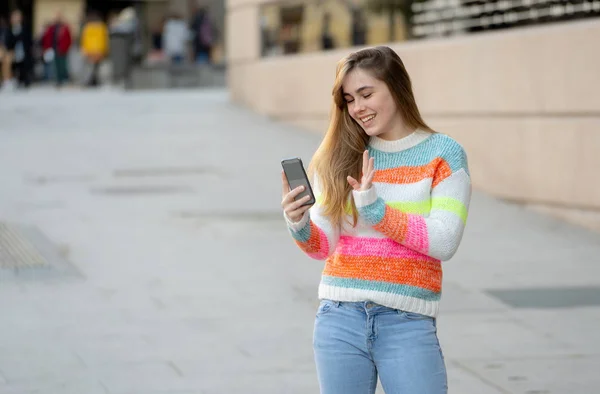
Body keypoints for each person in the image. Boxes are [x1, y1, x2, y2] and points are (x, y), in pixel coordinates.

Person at [280, 46, 472, 394]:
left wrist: (375, 211)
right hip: (339, 317)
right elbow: (322, 247)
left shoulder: (444, 155)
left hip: (408, 321)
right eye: (350, 99)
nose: (358, 108)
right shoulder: (341, 155)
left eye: (367, 94)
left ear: (396, 88)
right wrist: (299, 223)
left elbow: (445, 241)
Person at [4, 10, 33, 89]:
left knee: (24, 66)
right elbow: (7, 42)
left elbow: (29, 41)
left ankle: (24, 80)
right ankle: (10, 80)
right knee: (10, 63)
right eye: (14, 17)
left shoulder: (25, 27)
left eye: (18, 17)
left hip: (24, 51)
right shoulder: (9, 29)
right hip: (13, 52)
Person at [41, 11, 72, 87]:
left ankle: (63, 78)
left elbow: (69, 39)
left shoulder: (65, 27)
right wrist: (46, 48)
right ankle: (58, 80)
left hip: (63, 50)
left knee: (63, 65)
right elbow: (47, 38)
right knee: (56, 66)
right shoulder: (52, 28)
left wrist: (66, 48)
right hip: (54, 48)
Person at [79, 11, 108, 87]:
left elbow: (84, 40)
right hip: (97, 50)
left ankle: (92, 81)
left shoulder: (88, 27)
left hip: (91, 51)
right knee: (95, 67)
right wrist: (105, 50)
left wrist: (84, 49)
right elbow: (104, 40)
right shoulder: (101, 27)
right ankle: (94, 80)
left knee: (91, 67)